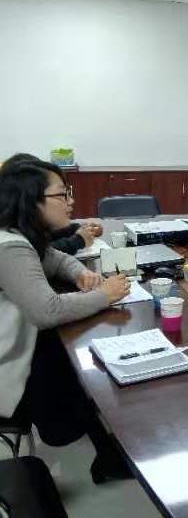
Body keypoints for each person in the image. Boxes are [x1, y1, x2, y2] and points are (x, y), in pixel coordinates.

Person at [0, 158, 132, 482]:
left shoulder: (20, 235)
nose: (71, 201)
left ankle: (107, 449)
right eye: (62, 194)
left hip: (20, 344)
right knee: (74, 356)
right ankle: (96, 442)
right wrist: (105, 295)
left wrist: (81, 273)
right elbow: (47, 311)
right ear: (31, 201)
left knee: (74, 351)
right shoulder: (10, 247)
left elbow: (56, 259)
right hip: (8, 363)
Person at [1, 153, 103, 255]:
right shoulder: (13, 244)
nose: (71, 201)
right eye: (62, 194)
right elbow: (43, 251)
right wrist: (78, 240)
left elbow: (52, 235)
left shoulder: (30, 225)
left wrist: (82, 229)